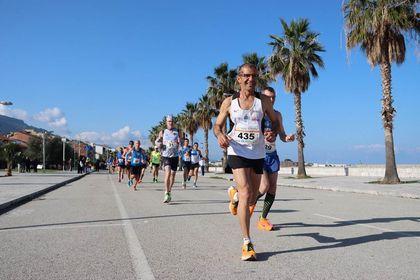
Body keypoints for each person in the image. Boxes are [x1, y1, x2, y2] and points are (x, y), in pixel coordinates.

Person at [213, 63, 281, 261]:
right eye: (247, 76)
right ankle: (247, 242)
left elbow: (275, 120)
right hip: (237, 149)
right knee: (245, 193)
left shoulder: (263, 101)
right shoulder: (229, 102)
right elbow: (217, 126)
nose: (251, 79)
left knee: (251, 196)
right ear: (239, 78)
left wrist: (273, 132)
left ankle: (234, 197)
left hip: (258, 152)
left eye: (254, 76)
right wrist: (219, 135)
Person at [230, 87, 295, 231]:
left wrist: (288, 138)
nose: (271, 100)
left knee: (272, 188)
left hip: (272, 154)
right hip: (258, 154)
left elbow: (282, 135)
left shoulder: (277, 115)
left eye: (273, 97)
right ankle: (240, 198)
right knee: (263, 186)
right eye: (268, 97)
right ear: (262, 98)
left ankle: (262, 218)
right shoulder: (257, 112)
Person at [156, 114, 183, 203]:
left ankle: (169, 191)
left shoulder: (178, 131)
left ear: (173, 122)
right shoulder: (163, 132)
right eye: (169, 121)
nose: (170, 123)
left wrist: (180, 145)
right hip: (166, 155)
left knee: (173, 175)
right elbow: (157, 141)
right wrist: (158, 144)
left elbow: (181, 142)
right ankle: (166, 192)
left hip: (174, 156)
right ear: (166, 122)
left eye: (171, 121)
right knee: (168, 173)